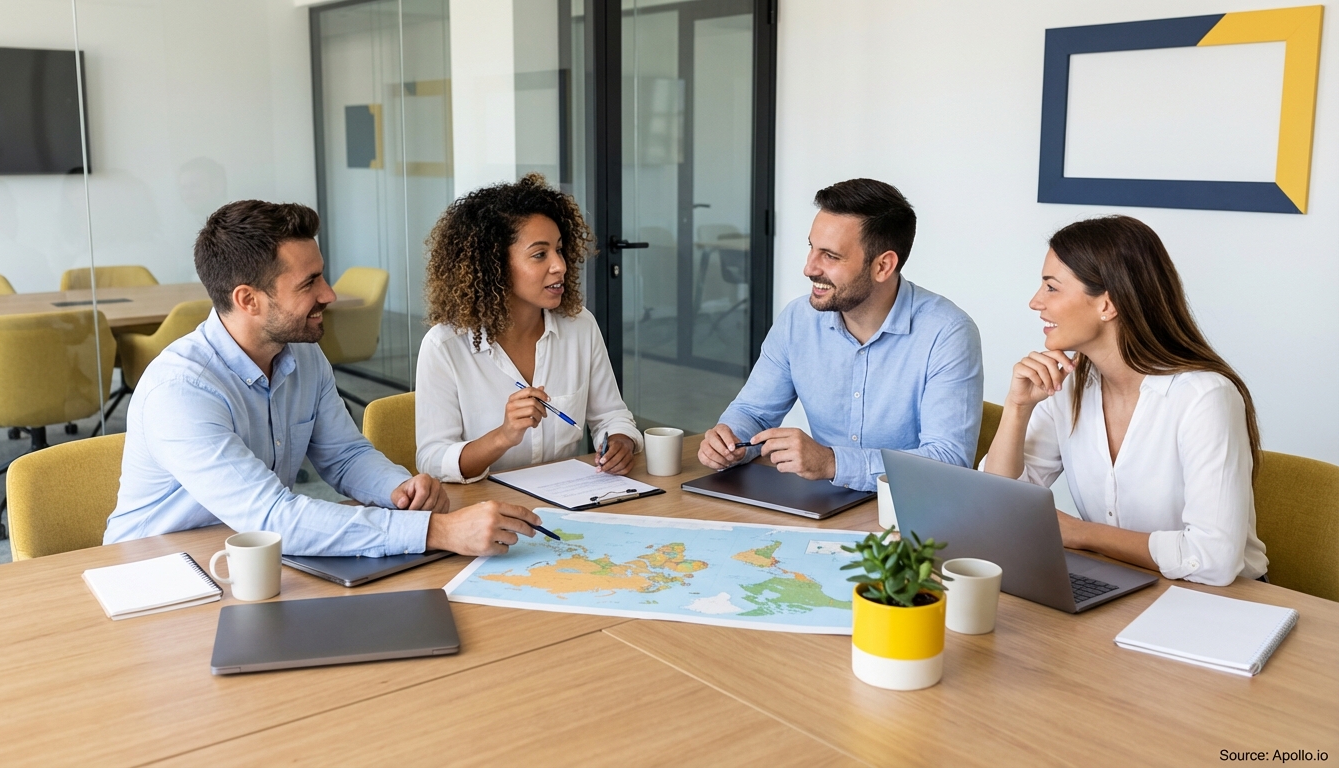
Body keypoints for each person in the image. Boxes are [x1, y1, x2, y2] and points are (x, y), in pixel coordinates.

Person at [105, 200, 540, 557]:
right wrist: (435, 532)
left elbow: (345, 456)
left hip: (247, 560)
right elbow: (273, 520)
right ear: (248, 300)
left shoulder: (303, 355)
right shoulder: (182, 392)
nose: (328, 294)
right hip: (161, 574)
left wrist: (399, 490)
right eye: (309, 282)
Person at [981, 215, 1267, 586]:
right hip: (1120, 581)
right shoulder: (1066, 385)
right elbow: (997, 508)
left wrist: (1080, 533)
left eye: (1051, 288)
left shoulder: (1204, 398)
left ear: (1107, 305)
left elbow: (1213, 559)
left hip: (1221, 602)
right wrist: (1018, 408)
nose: (1036, 302)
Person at [698, 178, 983, 491]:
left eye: (830, 256)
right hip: (821, 504)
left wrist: (832, 462)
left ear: (883, 266)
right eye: (812, 248)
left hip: (908, 513)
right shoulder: (798, 319)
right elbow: (754, 412)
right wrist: (729, 440)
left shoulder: (947, 333)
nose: (809, 268)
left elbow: (949, 460)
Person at [415, 174, 642, 482]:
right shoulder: (445, 346)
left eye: (559, 249)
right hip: (484, 513)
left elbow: (611, 416)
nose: (559, 265)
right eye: (540, 254)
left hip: (565, 504)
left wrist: (619, 442)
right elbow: (432, 460)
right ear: (494, 264)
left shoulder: (580, 326)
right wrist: (504, 435)